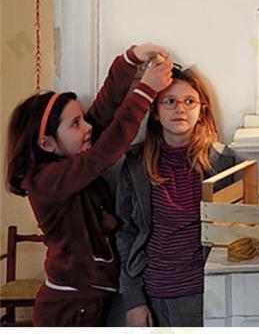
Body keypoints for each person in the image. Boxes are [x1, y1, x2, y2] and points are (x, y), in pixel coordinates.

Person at [4, 43, 173, 327]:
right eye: (76, 123)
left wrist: (130, 59)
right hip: (67, 309)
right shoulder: (46, 181)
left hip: (86, 300)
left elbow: (104, 109)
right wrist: (145, 91)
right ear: (47, 143)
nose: (88, 127)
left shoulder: (69, 155)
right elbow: (103, 153)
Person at [116, 65, 235, 327]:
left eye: (189, 101)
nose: (179, 108)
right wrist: (134, 300)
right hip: (153, 296)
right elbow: (126, 233)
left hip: (204, 294)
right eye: (169, 101)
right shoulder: (136, 163)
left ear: (202, 110)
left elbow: (233, 233)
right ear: (155, 113)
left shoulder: (221, 162)